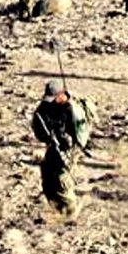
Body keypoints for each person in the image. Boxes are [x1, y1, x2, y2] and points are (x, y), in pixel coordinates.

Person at [31, 79, 93, 216]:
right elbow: (38, 126)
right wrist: (46, 135)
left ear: (61, 95)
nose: (50, 101)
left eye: (54, 98)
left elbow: (80, 137)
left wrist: (67, 144)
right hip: (55, 145)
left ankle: (71, 212)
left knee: (61, 178)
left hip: (70, 147)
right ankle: (58, 209)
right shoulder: (47, 106)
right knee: (47, 174)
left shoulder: (73, 110)